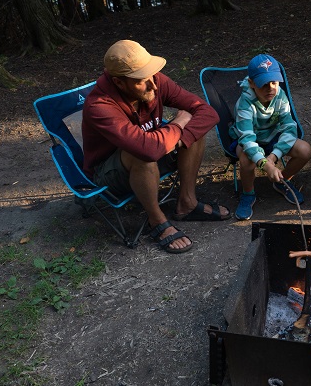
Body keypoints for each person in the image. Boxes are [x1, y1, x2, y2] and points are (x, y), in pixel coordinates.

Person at [82, 39, 229, 254]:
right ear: (119, 82)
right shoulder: (100, 106)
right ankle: (157, 220)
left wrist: (177, 137)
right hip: (109, 172)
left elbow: (208, 113)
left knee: (194, 133)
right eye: (142, 80)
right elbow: (147, 150)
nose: (153, 84)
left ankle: (187, 202)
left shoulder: (154, 80)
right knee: (142, 153)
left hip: (154, 147)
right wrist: (178, 124)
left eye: (152, 74)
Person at [230, 54, 311, 220]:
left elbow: (289, 127)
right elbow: (247, 139)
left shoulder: (280, 95)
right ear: (252, 83)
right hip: (249, 140)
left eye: (274, 82)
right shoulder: (244, 103)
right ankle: (248, 193)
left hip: (273, 137)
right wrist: (266, 165)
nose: (270, 88)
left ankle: (282, 181)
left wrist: (274, 156)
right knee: (246, 159)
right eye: (264, 84)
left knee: (305, 150)